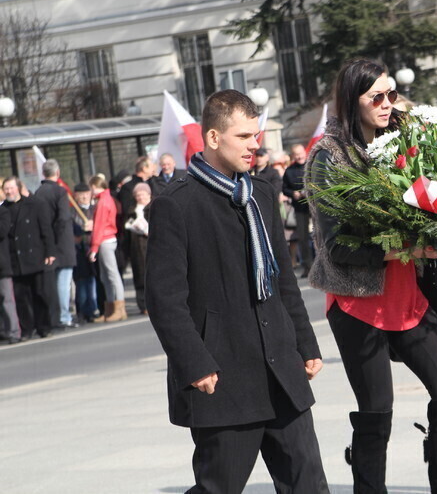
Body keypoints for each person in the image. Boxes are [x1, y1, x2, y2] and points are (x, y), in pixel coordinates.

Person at [146, 89, 328, 494]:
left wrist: (306, 343)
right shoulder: (176, 204)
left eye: (255, 134)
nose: (255, 144)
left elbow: (283, 281)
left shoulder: (261, 192)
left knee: (309, 485)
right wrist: (196, 365)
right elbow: (164, 301)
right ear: (213, 138)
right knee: (218, 488)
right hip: (223, 377)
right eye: (244, 136)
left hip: (282, 371)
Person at [306, 58, 437, 494]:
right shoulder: (329, 157)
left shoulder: (406, 143)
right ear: (351, 100)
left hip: (409, 299)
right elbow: (336, 243)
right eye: (375, 96)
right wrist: (402, 247)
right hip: (357, 301)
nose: (386, 103)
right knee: (378, 411)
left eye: (390, 94)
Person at [2, 177, 56, 340]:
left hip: (35, 256)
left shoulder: (35, 204)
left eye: (11, 188)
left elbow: (46, 229)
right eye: (6, 189)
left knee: (40, 293)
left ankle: (44, 327)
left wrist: (49, 251)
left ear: (18, 188)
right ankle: (26, 329)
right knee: (21, 297)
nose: (9, 191)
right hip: (15, 259)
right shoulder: (3, 210)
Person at [35, 159, 78, 328]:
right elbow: (63, 218)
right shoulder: (60, 191)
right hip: (62, 243)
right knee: (64, 282)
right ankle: (64, 315)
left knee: (53, 282)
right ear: (57, 173)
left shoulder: (38, 192)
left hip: (47, 242)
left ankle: (56, 315)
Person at [88, 176, 127, 323]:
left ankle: (118, 307)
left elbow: (99, 226)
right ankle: (111, 308)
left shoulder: (103, 201)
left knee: (111, 274)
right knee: (107, 275)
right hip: (107, 239)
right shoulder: (106, 199)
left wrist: (94, 247)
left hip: (105, 240)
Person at [282, 143, 313, 277]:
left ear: (305, 152)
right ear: (293, 156)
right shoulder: (289, 171)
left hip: (314, 204)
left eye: (301, 153)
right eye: (296, 154)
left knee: (322, 234)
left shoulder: (313, 165)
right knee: (303, 237)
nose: (299, 156)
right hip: (299, 207)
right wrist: (292, 193)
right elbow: (285, 188)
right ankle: (308, 267)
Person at [72, 182, 99, 324]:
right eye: (80, 194)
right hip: (79, 251)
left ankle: (94, 308)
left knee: (93, 281)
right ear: (75, 196)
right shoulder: (72, 213)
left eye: (86, 194)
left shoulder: (95, 209)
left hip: (94, 248)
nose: (83, 197)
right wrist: (81, 230)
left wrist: (93, 225)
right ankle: (82, 311)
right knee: (82, 282)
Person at [124, 182, 151, 315]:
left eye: (143, 194)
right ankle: (143, 305)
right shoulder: (132, 211)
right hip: (137, 248)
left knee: (154, 277)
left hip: (152, 245)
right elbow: (127, 227)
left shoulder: (155, 206)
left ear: (149, 194)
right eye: (138, 195)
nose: (141, 197)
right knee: (140, 277)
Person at [0, 200, 23, 344]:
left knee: (7, 299)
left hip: (2, 265)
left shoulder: (3, 211)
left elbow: (2, 231)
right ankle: (2, 331)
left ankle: (14, 331)